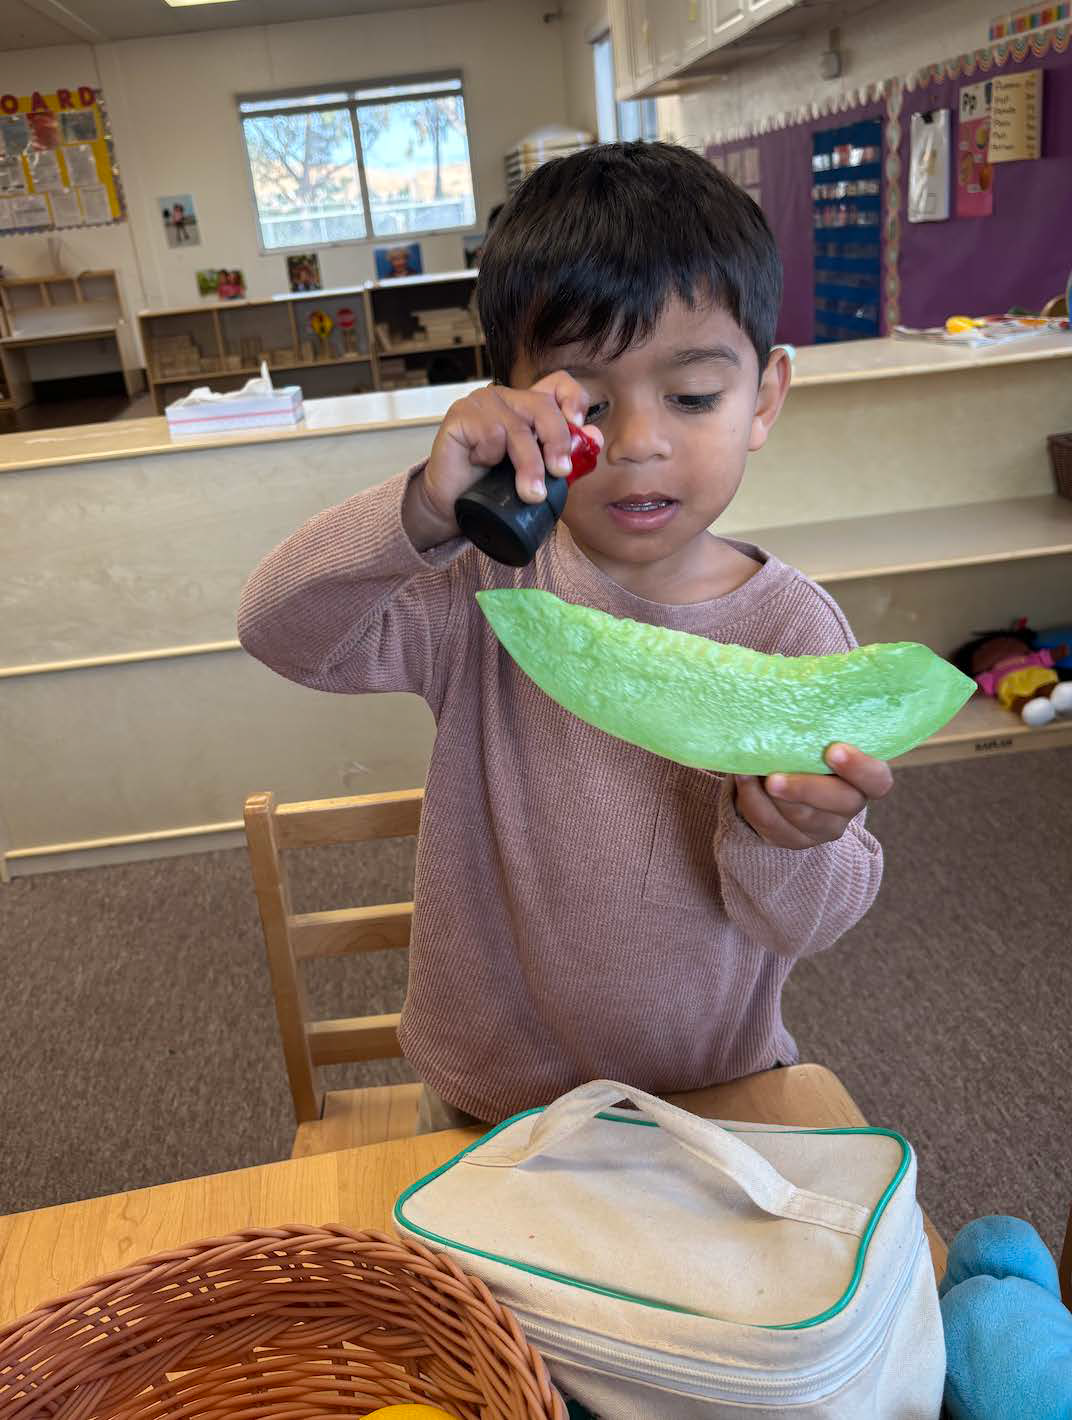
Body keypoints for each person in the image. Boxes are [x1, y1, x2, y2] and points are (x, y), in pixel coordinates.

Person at [238, 142, 889, 1133]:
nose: (635, 442)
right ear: (505, 398)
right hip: (484, 1102)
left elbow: (809, 917)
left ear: (763, 397)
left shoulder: (791, 628)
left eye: (693, 396)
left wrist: (786, 839)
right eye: (584, 402)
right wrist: (423, 508)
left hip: (711, 1093)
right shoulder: (479, 583)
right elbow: (280, 629)